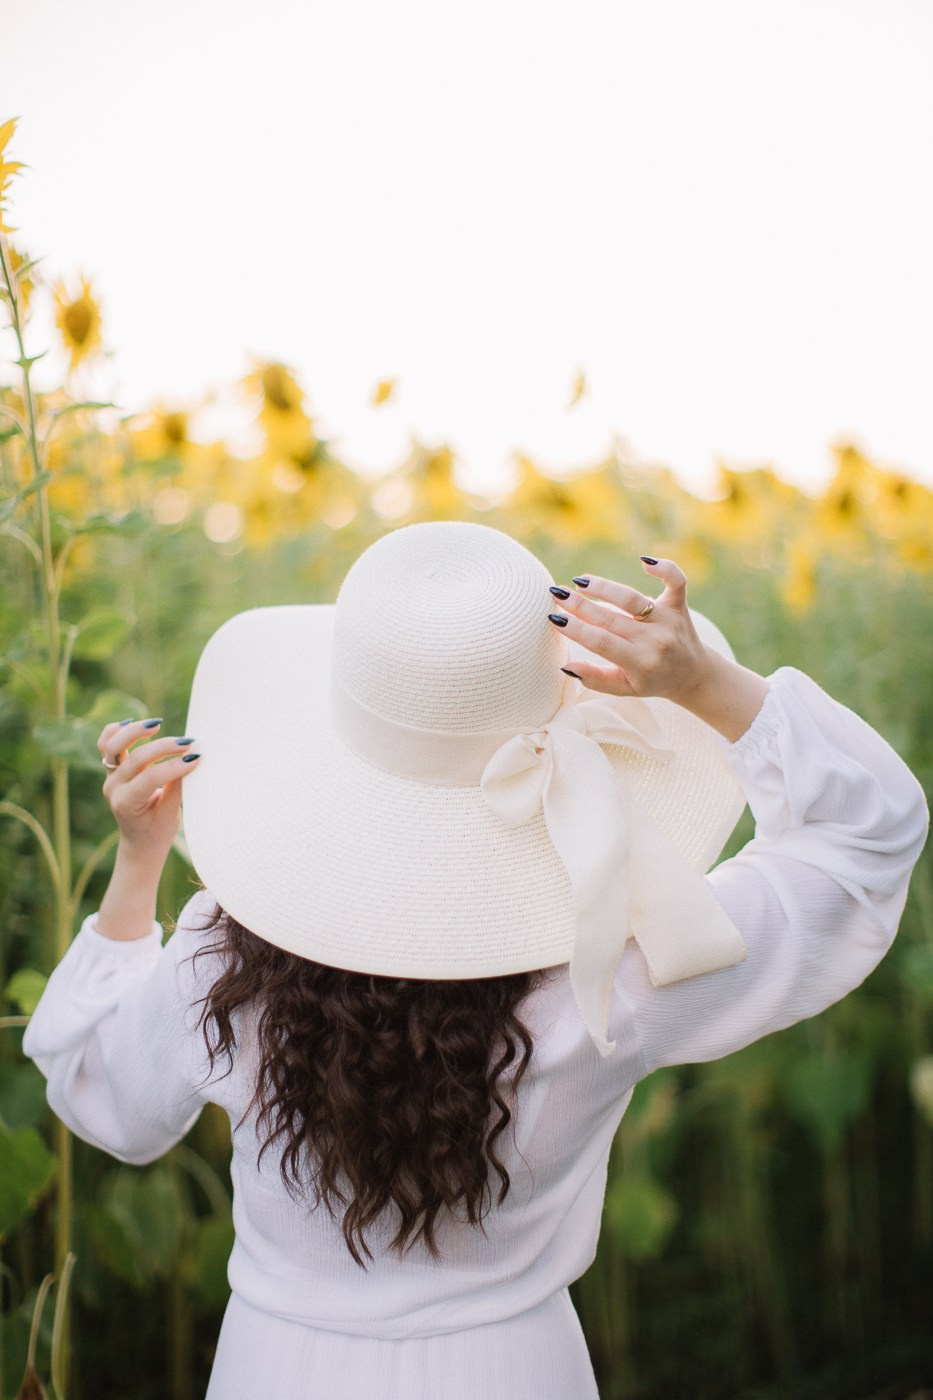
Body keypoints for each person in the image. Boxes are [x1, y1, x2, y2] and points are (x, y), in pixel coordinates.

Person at [23, 520, 929, 1400]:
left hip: (277, 1367)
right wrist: (709, 686)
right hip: (516, 1370)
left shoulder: (225, 949)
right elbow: (866, 841)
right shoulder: (620, 954)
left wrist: (141, 861)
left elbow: (108, 1103)